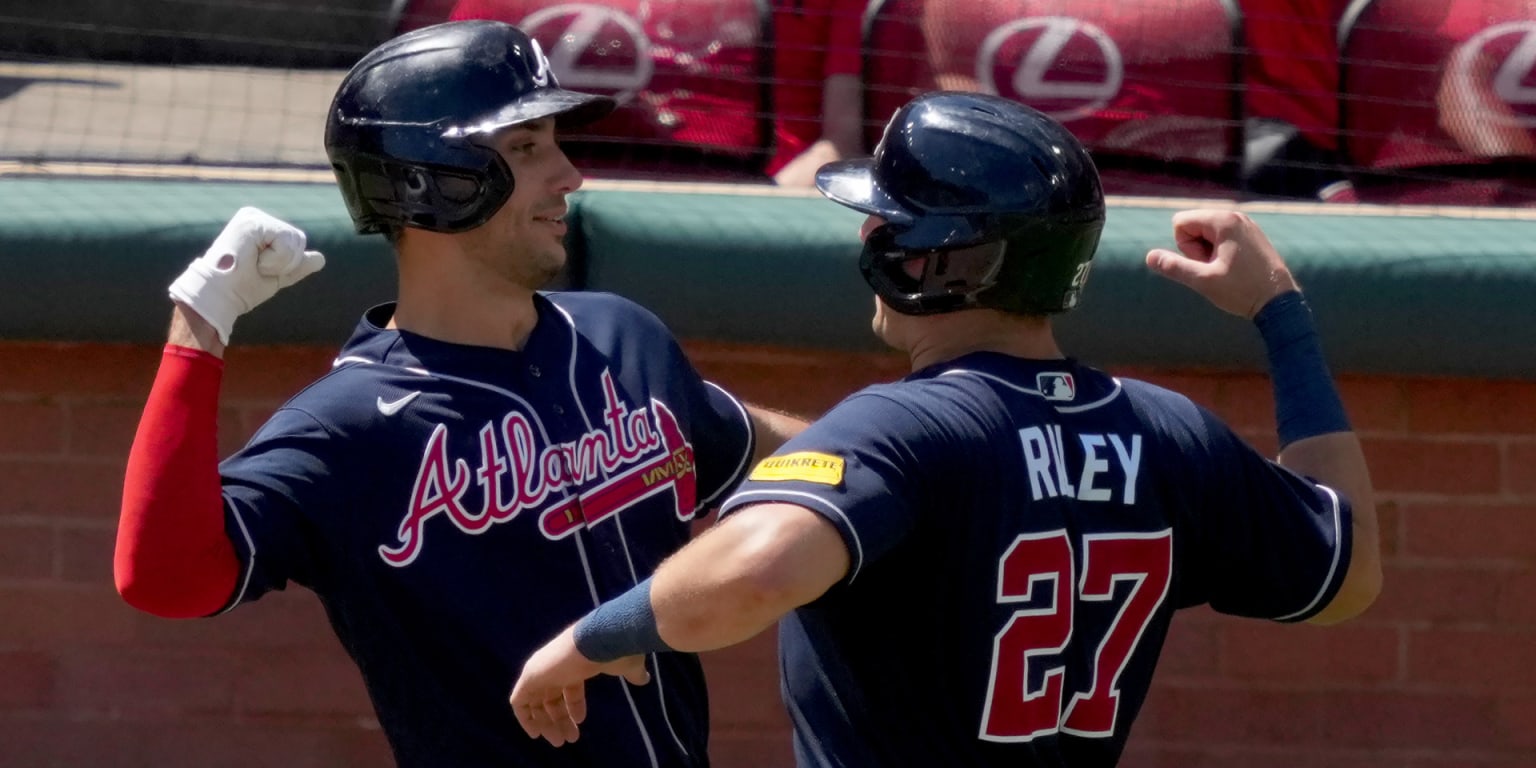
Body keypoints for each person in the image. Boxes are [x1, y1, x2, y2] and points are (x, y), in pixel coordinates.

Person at [508, 91, 1382, 766]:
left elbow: (753, 574)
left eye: (891, 221)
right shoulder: (1169, 430)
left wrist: (587, 641)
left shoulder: (903, 423)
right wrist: (1281, 312)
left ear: (938, 259)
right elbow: (1347, 573)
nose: (873, 235)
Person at [113, 20, 805, 768]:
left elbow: (770, 447)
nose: (569, 176)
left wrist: (902, 446)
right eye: (528, 148)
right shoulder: (349, 428)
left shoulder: (619, 339)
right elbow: (163, 580)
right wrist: (199, 325)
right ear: (433, 179)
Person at [765, 0, 866, 187]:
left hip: (779, 183)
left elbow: (841, 145)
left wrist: (760, 201)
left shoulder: (849, 6)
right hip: (701, 163)